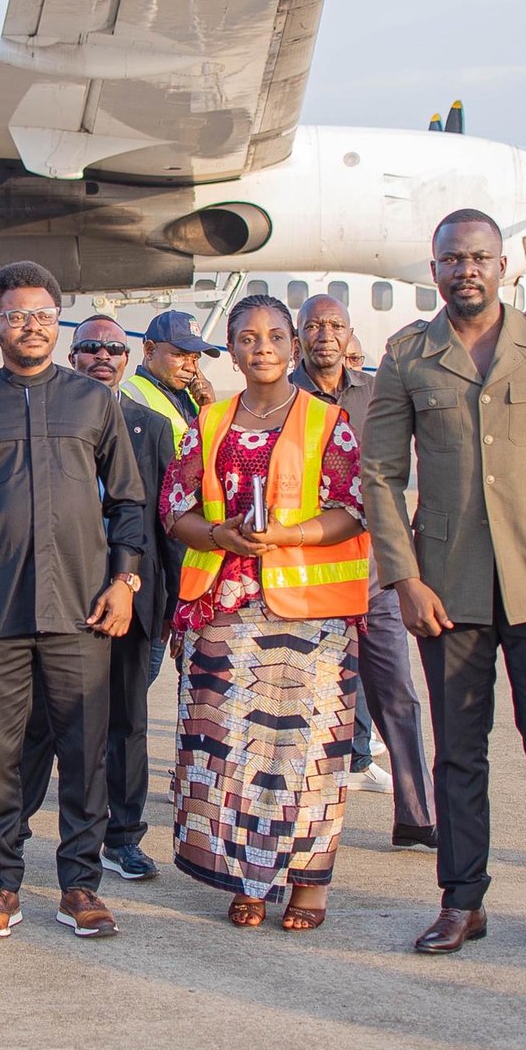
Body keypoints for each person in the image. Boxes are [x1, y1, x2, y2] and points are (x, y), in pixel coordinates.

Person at [360, 207, 526, 957]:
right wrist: (403, 576)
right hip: (449, 590)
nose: (465, 270)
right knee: (459, 751)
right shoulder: (409, 354)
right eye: (451, 259)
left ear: (503, 264)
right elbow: (381, 473)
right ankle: (461, 901)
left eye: (479, 256)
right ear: (433, 268)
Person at [0, 262, 147, 941]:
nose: (33, 325)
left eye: (44, 314)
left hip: (83, 612)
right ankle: (0, 883)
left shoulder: (93, 403)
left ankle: (79, 884)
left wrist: (124, 580)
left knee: (85, 755)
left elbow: (130, 501)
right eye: (18, 315)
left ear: (59, 321)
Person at [161, 294, 372, 930]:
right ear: (231, 347)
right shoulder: (211, 420)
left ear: (293, 344)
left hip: (312, 616)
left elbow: (353, 508)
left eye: (276, 336)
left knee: (309, 757)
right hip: (225, 611)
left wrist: (292, 535)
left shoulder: (326, 421)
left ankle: (309, 885)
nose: (263, 348)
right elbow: (176, 508)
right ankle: (248, 876)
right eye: (248, 337)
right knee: (232, 756)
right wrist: (220, 537)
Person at [0, 315, 173, 882]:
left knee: (124, 725)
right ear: (74, 352)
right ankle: (9, 836)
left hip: (126, 599)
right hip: (47, 599)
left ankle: (123, 838)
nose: (102, 356)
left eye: (114, 347)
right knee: (37, 726)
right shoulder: (34, 411)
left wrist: (157, 603)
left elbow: (153, 521)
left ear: (128, 358)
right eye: (89, 346)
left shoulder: (151, 427)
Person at [293, 295, 432, 843]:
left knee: (396, 692)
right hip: (308, 577)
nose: (324, 335)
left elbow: (402, 473)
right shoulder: (282, 396)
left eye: (334, 325)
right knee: (308, 705)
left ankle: (417, 816)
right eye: (313, 326)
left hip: (376, 574)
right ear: (299, 336)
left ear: (350, 336)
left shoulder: (378, 394)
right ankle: (304, 821)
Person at [122, 310, 220, 450]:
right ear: (149, 350)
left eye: (195, 358)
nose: (191, 368)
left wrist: (209, 409)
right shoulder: (126, 398)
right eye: (180, 355)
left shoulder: (196, 398)